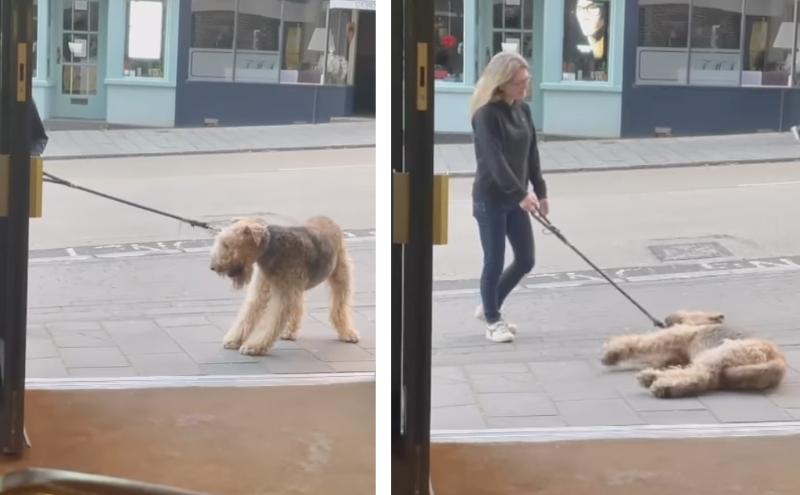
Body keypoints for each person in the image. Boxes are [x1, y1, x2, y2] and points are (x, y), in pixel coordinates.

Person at [470, 51, 549, 343]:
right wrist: (520, 194)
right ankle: (492, 320)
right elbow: (494, 161)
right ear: (501, 83)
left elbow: (531, 155)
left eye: (527, 82)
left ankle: (489, 304)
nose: (524, 88)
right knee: (494, 260)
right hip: (490, 199)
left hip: (517, 198)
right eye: (519, 83)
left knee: (526, 259)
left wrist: (540, 191)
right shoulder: (486, 115)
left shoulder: (523, 111)